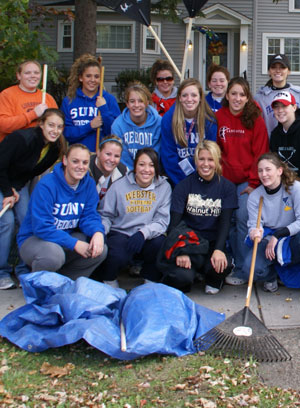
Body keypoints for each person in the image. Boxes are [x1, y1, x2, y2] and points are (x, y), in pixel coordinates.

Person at [17, 144, 107, 280]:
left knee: (99, 249)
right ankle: (38, 287)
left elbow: (89, 216)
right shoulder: (47, 185)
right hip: (34, 240)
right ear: (65, 160)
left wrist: (97, 232)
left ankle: (64, 284)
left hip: (63, 238)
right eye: (75, 161)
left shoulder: (88, 184)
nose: (80, 166)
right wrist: (74, 244)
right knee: (53, 255)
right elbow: (42, 227)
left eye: (85, 162)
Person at [158, 140, 237, 294]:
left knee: (223, 265)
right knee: (181, 278)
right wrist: (181, 250)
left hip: (212, 244)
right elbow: (175, 223)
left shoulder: (227, 188)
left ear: (217, 161)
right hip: (190, 242)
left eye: (210, 159)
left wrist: (219, 249)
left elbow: (225, 223)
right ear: (195, 161)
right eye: (201, 159)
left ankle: (212, 279)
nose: (205, 164)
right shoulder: (183, 186)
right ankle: (190, 277)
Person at [0, 108, 66, 289]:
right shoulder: (22, 139)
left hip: (16, 185)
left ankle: (23, 270)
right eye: (51, 125)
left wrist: (17, 189)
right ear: (41, 124)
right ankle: (2, 272)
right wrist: (7, 192)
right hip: (2, 180)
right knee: (6, 222)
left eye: (59, 127)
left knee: (27, 221)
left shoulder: (54, 149)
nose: (55, 130)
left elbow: (30, 172)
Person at [215, 77, 269, 285]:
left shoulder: (255, 119)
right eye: (234, 94)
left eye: (242, 94)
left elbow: (261, 153)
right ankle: (230, 262)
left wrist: (254, 183)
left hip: (248, 181)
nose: (237, 98)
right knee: (225, 220)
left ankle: (243, 269)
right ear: (227, 95)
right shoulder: (218, 117)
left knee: (242, 219)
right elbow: (213, 148)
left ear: (248, 98)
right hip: (224, 181)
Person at [92, 147, 171, 288]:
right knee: (116, 253)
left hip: (147, 234)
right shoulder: (119, 185)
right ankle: (109, 280)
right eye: (141, 164)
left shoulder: (164, 187)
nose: (146, 170)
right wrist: (101, 232)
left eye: (151, 165)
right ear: (135, 166)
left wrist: (143, 233)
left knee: (159, 243)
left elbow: (162, 220)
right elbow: (106, 214)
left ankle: (149, 280)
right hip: (122, 232)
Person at [232, 152, 300, 292]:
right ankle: (272, 275)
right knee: (250, 269)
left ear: (279, 171)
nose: (264, 174)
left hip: (291, 236)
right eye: (260, 170)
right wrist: (254, 232)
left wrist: (278, 235)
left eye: (268, 169)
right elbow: (254, 225)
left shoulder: (295, 188)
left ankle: (286, 268)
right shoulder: (256, 196)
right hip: (268, 239)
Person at [161, 78, 217, 186]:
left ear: (200, 97)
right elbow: (169, 157)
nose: (189, 99)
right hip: (176, 179)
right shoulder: (169, 119)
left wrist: (199, 180)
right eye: (185, 95)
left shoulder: (210, 120)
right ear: (179, 98)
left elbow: (211, 155)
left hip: (204, 177)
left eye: (194, 95)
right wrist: (184, 184)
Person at [61, 54, 120, 152]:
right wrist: (90, 126)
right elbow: (66, 133)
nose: (92, 80)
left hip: (101, 158)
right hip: (77, 157)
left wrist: (104, 110)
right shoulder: (69, 101)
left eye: (96, 76)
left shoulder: (109, 100)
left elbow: (115, 133)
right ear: (80, 78)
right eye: (88, 76)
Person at [0, 60, 58, 142]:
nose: (33, 76)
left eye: (36, 73)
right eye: (27, 73)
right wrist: (33, 114)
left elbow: (57, 126)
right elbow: (3, 126)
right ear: (18, 76)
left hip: (41, 148)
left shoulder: (47, 98)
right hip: (14, 147)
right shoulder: (7, 95)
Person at [111, 81, 161, 170]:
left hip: (151, 171)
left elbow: (157, 153)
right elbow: (121, 156)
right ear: (127, 104)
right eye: (132, 101)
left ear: (147, 103)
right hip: (126, 173)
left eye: (140, 101)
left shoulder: (158, 123)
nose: (136, 105)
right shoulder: (118, 125)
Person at [255, 54, 300, 137]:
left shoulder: (298, 94)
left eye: (282, 67)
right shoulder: (260, 98)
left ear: (289, 71)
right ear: (269, 71)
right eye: (273, 67)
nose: (278, 70)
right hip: (271, 146)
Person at [89, 135, 127, 208]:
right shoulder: (86, 168)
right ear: (98, 152)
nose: (112, 159)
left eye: (116, 156)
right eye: (108, 154)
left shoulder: (123, 172)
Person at [270, 91, 300, 177]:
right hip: (283, 182)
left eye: (284, 106)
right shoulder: (275, 134)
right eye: (276, 107)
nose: (280, 110)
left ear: (294, 107)